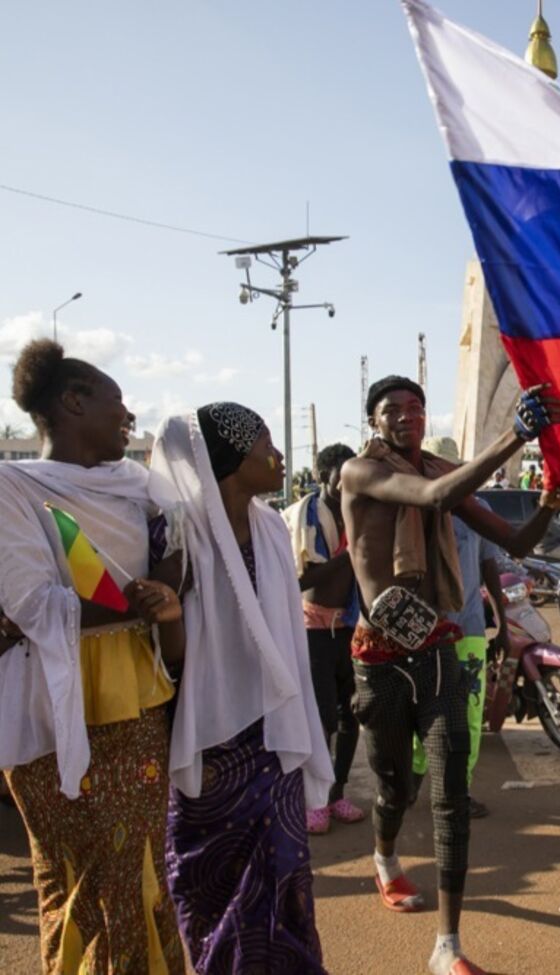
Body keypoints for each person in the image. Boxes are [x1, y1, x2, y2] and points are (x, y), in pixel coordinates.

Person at [340, 375, 560, 975]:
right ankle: (385, 856)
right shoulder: (362, 474)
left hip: (440, 648)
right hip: (379, 656)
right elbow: (434, 496)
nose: (407, 417)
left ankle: (448, 945)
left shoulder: (442, 471)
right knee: (396, 789)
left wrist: (548, 498)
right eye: (392, 409)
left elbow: (514, 539)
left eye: (416, 407)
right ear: (374, 422)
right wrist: (512, 437)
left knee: (448, 796)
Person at [0, 339, 187, 974]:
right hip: (49, 708)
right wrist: (140, 602)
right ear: (73, 403)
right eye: (117, 403)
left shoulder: (140, 488)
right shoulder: (14, 486)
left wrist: (168, 578)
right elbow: (32, 603)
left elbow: (178, 563)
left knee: (137, 869)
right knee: (72, 878)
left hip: (134, 696)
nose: (128, 416)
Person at [152, 403, 334, 974]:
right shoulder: (176, 531)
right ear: (232, 458)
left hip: (272, 740)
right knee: (211, 889)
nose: (279, 457)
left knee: (284, 880)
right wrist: (167, 617)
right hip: (210, 744)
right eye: (267, 445)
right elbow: (171, 653)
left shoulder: (272, 529)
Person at [283, 442, 368, 834]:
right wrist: (349, 556)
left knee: (352, 714)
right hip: (312, 629)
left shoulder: (358, 512)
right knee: (320, 718)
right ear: (323, 477)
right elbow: (302, 579)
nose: (347, 481)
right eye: (341, 474)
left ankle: (336, 793)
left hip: (350, 625)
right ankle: (312, 799)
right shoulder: (307, 518)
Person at [431, 439, 508, 816]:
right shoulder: (419, 506)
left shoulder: (480, 508)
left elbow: (489, 564)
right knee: (426, 710)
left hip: (471, 626)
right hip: (429, 629)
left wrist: (503, 623)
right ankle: (418, 780)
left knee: (471, 711)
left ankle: (459, 788)